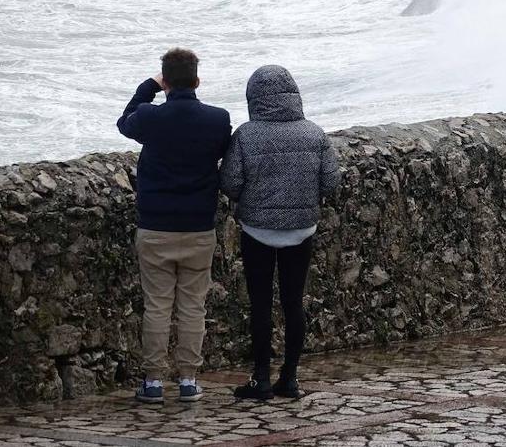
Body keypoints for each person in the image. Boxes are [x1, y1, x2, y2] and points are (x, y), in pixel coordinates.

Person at [116, 48, 232, 404]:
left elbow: (125, 122)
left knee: (157, 307)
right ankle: (187, 379)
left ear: (165, 80)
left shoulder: (151, 118)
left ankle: (152, 382)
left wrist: (147, 87)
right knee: (192, 306)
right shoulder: (217, 119)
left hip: (155, 228)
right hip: (198, 227)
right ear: (197, 80)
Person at [222, 65, 339, 400]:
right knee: (293, 303)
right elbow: (331, 181)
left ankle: (260, 378)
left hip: (257, 230)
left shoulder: (245, 135)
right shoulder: (315, 134)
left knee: (260, 305)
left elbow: (230, 182)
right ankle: (289, 378)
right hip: (301, 231)